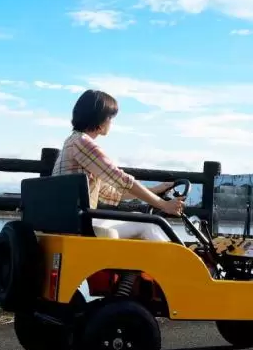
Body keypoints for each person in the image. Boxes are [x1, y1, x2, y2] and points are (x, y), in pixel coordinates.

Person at [52, 89, 185, 241]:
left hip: (70, 221)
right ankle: (177, 263)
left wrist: (154, 191)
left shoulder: (71, 142)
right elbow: (121, 179)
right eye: (110, 117)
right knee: (147, 223)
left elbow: (110, 193)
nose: (111, 122)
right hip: (79, 225)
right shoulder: (83, 143)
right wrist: (163, 204)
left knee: (139, 218)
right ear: (100, 120)